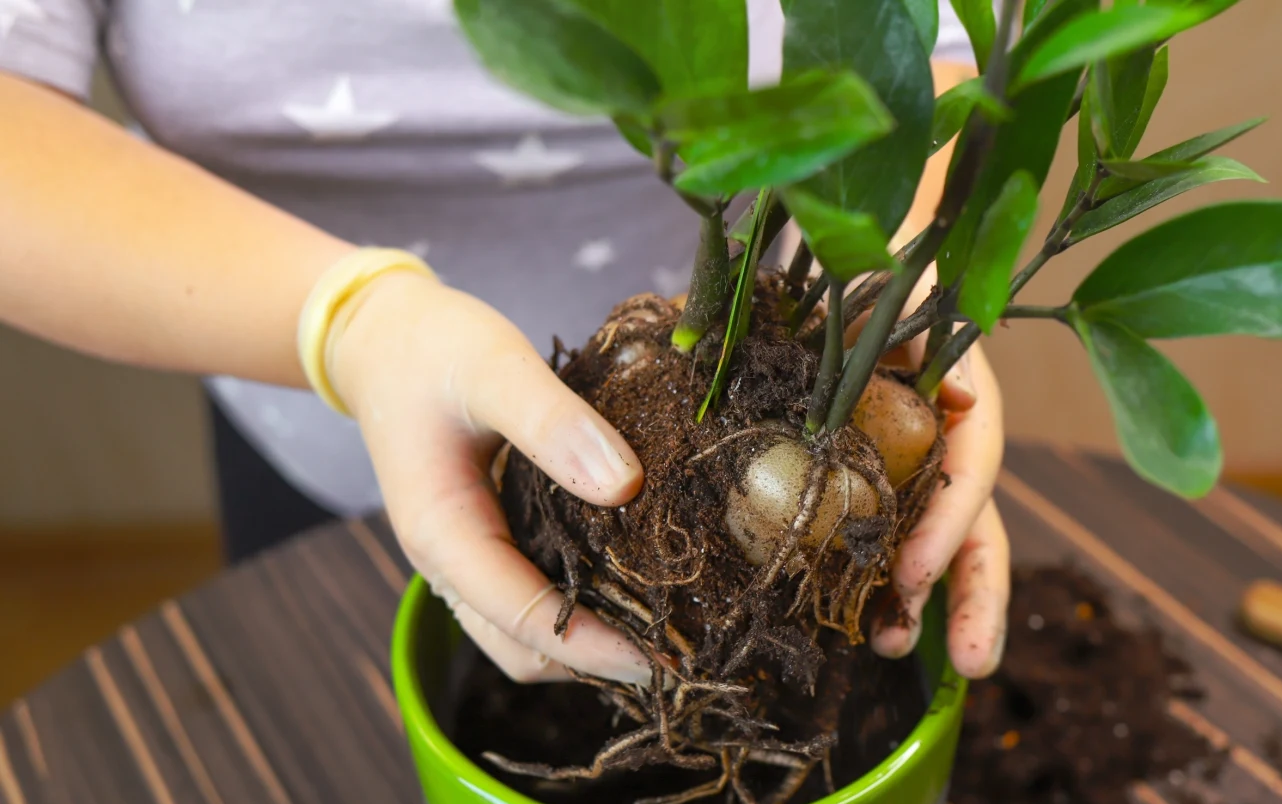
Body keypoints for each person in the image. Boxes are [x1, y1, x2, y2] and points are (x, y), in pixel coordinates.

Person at [0, 0, 1008, 684]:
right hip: (313, 452)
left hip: (773, 407)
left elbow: (929, 45)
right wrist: (349, 321)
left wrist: (889, 265)